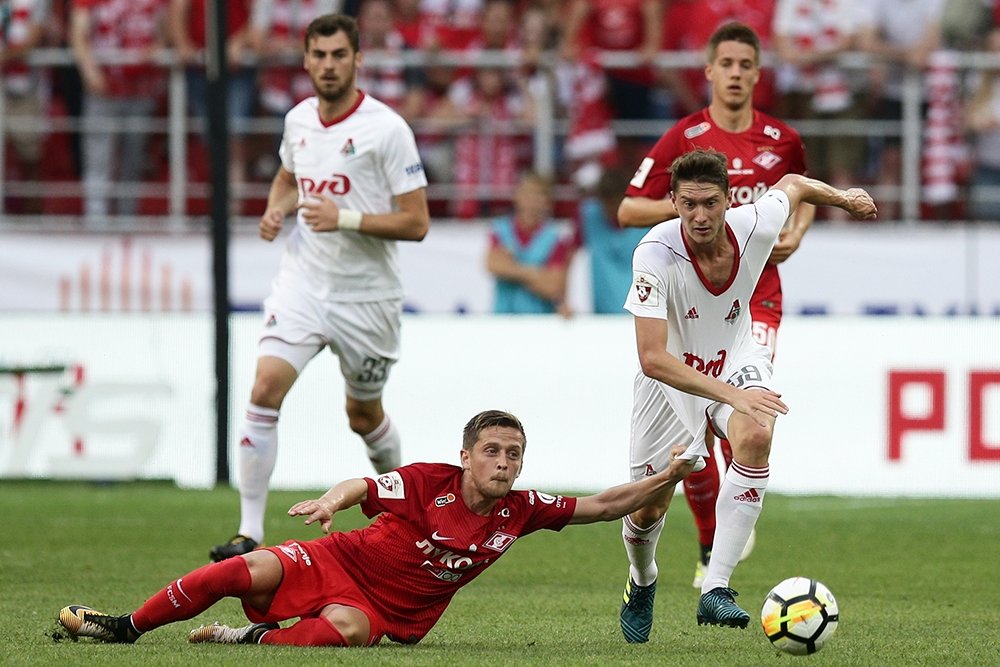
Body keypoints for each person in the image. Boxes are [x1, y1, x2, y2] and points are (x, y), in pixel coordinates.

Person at [56, 410, 701, 647]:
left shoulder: (524, 508)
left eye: (514, 454)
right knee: (240, 570)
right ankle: (126, 626)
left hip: (390, 611)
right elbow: (362, 486)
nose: (504, 463)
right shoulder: (426, 480)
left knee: (345, 632)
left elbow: (603, 505)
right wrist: (329, 503)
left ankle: (246, 638)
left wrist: (670, 475)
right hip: (340, 559)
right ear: (467, 456)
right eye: (493, 452)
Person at [617, 149, 875, 643]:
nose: (699, 216)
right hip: (669, 381)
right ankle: (642, 578)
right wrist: (730, 396)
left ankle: (716, 587)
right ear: (673, 201)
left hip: (735, 356)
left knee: (757, 431)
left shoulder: (754, 223)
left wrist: (845, 199)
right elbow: (651, 358)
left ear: (728, 199)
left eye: (710, 203)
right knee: (647, 510)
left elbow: (795, 183)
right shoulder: (654, 254)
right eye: (688, 204)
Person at [209, 13, 430, 563]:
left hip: (367, 295)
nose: (329, 65)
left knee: (363, 416)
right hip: (303, 283)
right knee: (264, 389)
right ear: (306, 60)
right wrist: (275, 208)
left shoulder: (387, 129)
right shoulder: (298, 120)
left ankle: (410, 518)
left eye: (339, 55)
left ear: (358, 60)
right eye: (319, 55)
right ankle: (249, 531)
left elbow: (417, 222)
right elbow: (290, 176)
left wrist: (345, 219)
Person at [618, 22, 813, 596]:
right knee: (694, 438)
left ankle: (720, 556)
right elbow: (629, 210)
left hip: (758, 298)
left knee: (749, 418)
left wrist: (797, 233)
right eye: (725, 63)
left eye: (744, 64)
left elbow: (800, 194)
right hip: (693, 302)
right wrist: (697, 210)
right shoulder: (685, 136)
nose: (734, 73)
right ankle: (709, 540)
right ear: (709, 71)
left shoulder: (783, 139)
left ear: (757, 73)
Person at [68, 0, 169, 225]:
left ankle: (127, 221)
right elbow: (77, 34)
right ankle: (96, 222)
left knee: (133, 159)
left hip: (141, 89)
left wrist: (157, 48)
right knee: (98, 159)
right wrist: (89, 71)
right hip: (102, 89)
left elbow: (166, 32)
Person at [485, 171, 574, 315]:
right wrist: (535, 274)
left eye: (538, 195)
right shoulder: (501, 229)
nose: (531, 200)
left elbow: (554, 287)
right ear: (517, 196)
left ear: (547, 202)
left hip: (538, 319)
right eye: (527, 193)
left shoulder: (555, 239)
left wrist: (512, 269)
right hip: (504, 318)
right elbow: (493, 264)